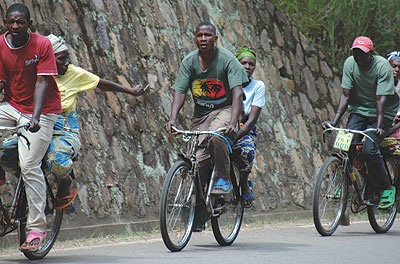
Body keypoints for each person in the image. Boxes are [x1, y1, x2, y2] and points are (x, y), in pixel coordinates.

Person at [0, 34, 148, 210]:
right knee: (7, 155)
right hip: (32, 125)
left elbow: (101, 83)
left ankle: (65, 180)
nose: (67, 63)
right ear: (47, 58)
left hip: (63, 129)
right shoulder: (32, 74)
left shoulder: (73, 73)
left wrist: (130, 91)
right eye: (62, 59)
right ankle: (26, 185)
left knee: (55, 160)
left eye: (67, 58)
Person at [0, 3, 61, 251]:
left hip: (42, 110)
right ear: (6, 22)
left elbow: (42, 82)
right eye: (11, 22)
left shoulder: (42, 44)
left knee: (29, 164)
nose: (15, 26)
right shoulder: (1, 45)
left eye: (20, 22)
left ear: (29, 24)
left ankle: (36, 228)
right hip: (12, 106)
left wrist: (35, 117)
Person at [165, 21, 247, 194]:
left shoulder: (227, 60)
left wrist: (233, 122)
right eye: (199, 35)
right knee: (197, 161)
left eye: (207, 35)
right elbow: (179, 91)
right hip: (201, 116)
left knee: (217, 136)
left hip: (226, 109)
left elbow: (237, 94)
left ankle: (224, 178)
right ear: (195, 38)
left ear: (215, 38)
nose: (203, 39)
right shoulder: (189, 61)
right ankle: (201, 207)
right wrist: (172, 118)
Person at [322, 36, 399, 209]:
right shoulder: (350, 64)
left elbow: (381, 100)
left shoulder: (381, 66)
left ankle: (387, 188)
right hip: (359, 110)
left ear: (370, 53)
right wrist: (333, 121)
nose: (358, 57)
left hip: (383, 113)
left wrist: (379, 127)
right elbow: (346, 95)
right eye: (356, 53)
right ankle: (347, 185)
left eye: (362, 54)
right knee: (346, 145)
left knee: (370, 149)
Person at [232, 47, 265, 207]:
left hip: (245, 127)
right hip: (225, 123)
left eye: (251, 64)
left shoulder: (258, 86)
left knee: (246, 152)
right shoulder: (227, 81)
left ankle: (244, 183)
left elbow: (252, 119)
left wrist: (235, 136)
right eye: (243, 63)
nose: (247, 66)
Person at [381, 52, 400, 155]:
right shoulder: (378, 83)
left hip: (395, 127)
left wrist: (391, 130)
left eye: (399, 67)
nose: (397, 70)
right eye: (394, 66)